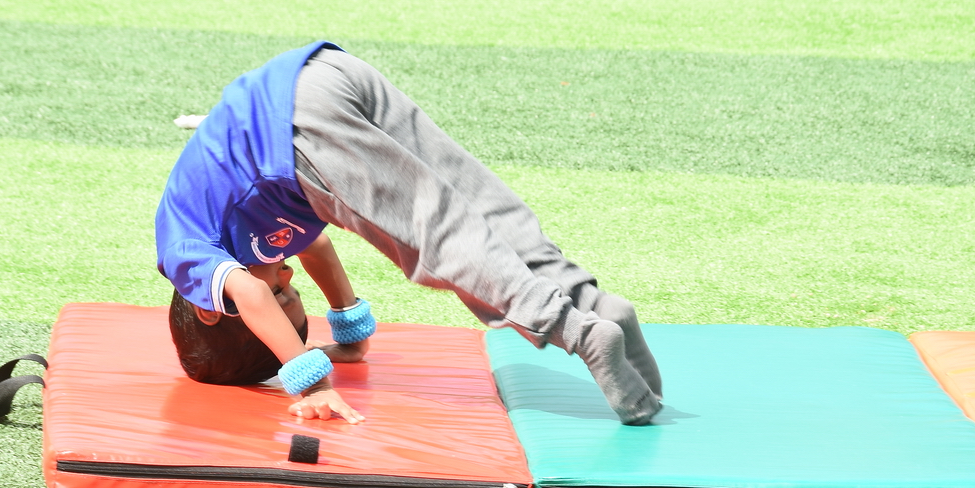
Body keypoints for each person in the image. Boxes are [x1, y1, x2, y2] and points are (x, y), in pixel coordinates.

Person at [154, 41, 662, 425]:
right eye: (291, 291)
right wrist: (351, 339)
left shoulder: (183, 254)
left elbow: (249, 293)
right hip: (325, 74)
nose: (285, 277)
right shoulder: (239, 231)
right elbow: (318, 247)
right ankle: (593, 304)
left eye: (279, 293)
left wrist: (311, 384)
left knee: (437, 237)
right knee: (475, 201)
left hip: (295, 132)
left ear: (208, 307)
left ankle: (580, 333)